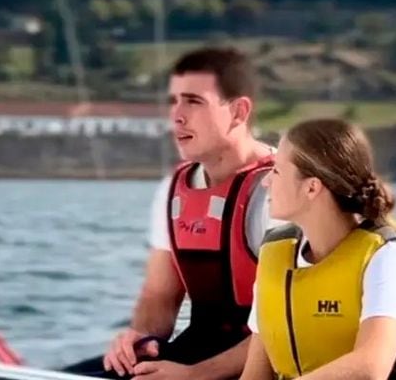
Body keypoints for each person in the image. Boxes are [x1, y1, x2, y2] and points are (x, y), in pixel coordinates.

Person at [65, 46, 279, 380]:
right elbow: (159, 296)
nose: (176, 116)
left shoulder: (280, 191)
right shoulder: (173, 187)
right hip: (194, 353)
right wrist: (140, 340)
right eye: (173, 101)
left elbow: (289, 327)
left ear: (238, 112)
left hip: (265, 364)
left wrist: (194, 375)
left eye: (193, 101)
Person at [241, 118, 396, 380]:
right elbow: (255, 374)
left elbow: (371, 368)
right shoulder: (274, 257)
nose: (266, 182)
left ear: (312, 187)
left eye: (276, 171)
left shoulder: (387, 259)